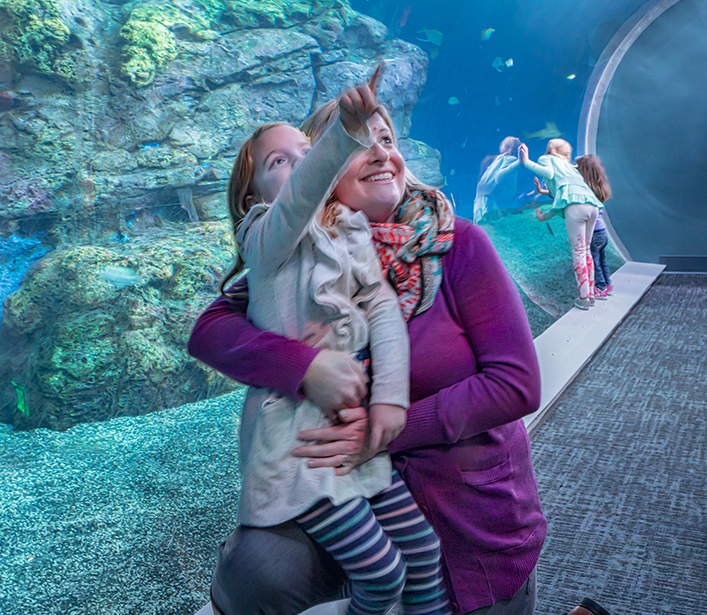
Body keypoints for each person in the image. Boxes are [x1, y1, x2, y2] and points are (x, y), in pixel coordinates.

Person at [190, 96, 549, 615]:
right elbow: (210, 329)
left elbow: (515, 384)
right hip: (356, 504)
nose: (381, 153)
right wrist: (304, 366)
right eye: (360, 144)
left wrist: (385, 429)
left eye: (387, 140)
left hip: (468, 516)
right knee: (256, 570)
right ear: (320, 177)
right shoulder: (308, 260)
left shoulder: (460, 245)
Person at [222, 69, 449, 615]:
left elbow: (384, 313)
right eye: (281, 161)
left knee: (424, 551)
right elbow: (298, 201)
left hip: (358, 439)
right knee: (381, 572)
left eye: (309, 151)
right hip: (302, 453)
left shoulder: (346, 230)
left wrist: (391, 397)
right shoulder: (264, 236)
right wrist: (343, 130)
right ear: (252, 195)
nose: (301, 164)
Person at [517, 139, 604, 306]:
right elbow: (563, 196)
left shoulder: (547, 159)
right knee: (586, 250)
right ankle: (591, 294)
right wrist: (543, 198)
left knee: (578, 251)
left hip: (576, 207)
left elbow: (549, 175)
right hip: (592, 206)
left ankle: (584, 298)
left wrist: (527, 162)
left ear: (552, 151)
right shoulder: (570, 168)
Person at [574, 155, 613, 299]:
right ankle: (607, 284)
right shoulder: (599, 190)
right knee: (602, 260)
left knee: (594, 261)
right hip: (602, 232)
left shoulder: (586, 193)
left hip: (594, 232)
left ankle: (600, 287)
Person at [473, 137, 529, 221]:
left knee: (481, 230)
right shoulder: (511, 159)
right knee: (492, 229)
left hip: (480, 200)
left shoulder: (496, 162)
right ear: (512, 150)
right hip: (491, 200)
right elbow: (499, 177)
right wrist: (519, 163)